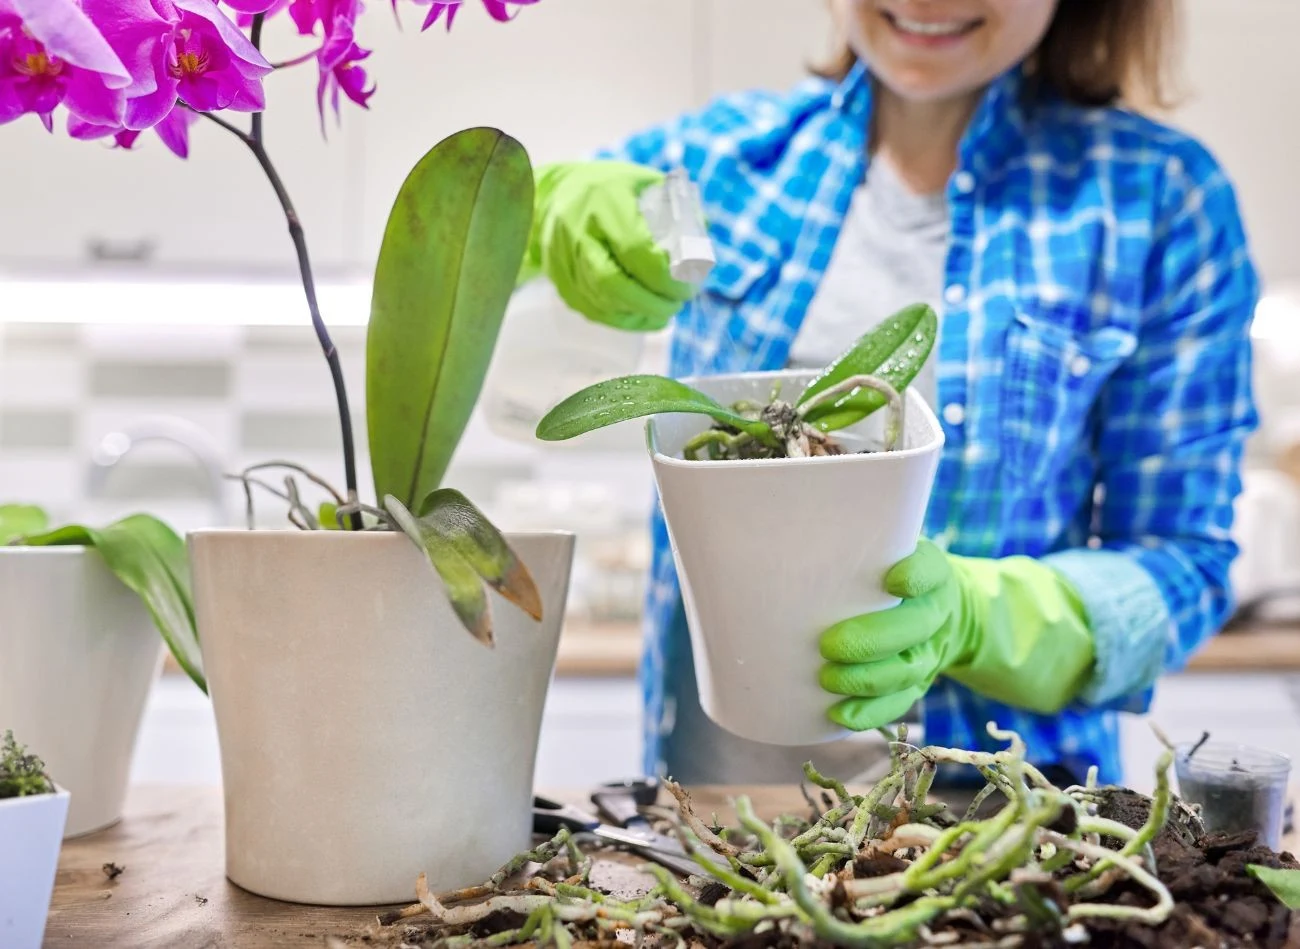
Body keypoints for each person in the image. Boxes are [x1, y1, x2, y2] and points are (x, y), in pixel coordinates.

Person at [521, 0, 1259, 787]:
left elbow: (1184, 564)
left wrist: (986, 617)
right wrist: (546, 207)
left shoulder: (1156, 202)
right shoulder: (722, 164)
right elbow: (468, 239)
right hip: (719, 810)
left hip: (995, 824)